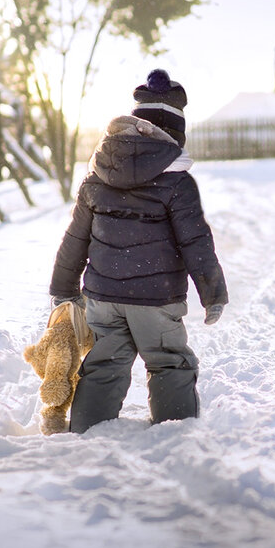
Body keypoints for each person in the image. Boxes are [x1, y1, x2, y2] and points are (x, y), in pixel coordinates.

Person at [49, 68, 228, 432]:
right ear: (174, 133)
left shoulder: (97, 174)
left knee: (103, 364)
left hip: (104, 297)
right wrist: (213, 293)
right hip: (156, 300)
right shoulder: (178, 182)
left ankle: (86, 431)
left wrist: (63, 289)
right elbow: (196, 242)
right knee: (168, 361)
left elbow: (75, 237)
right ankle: (175, 432)